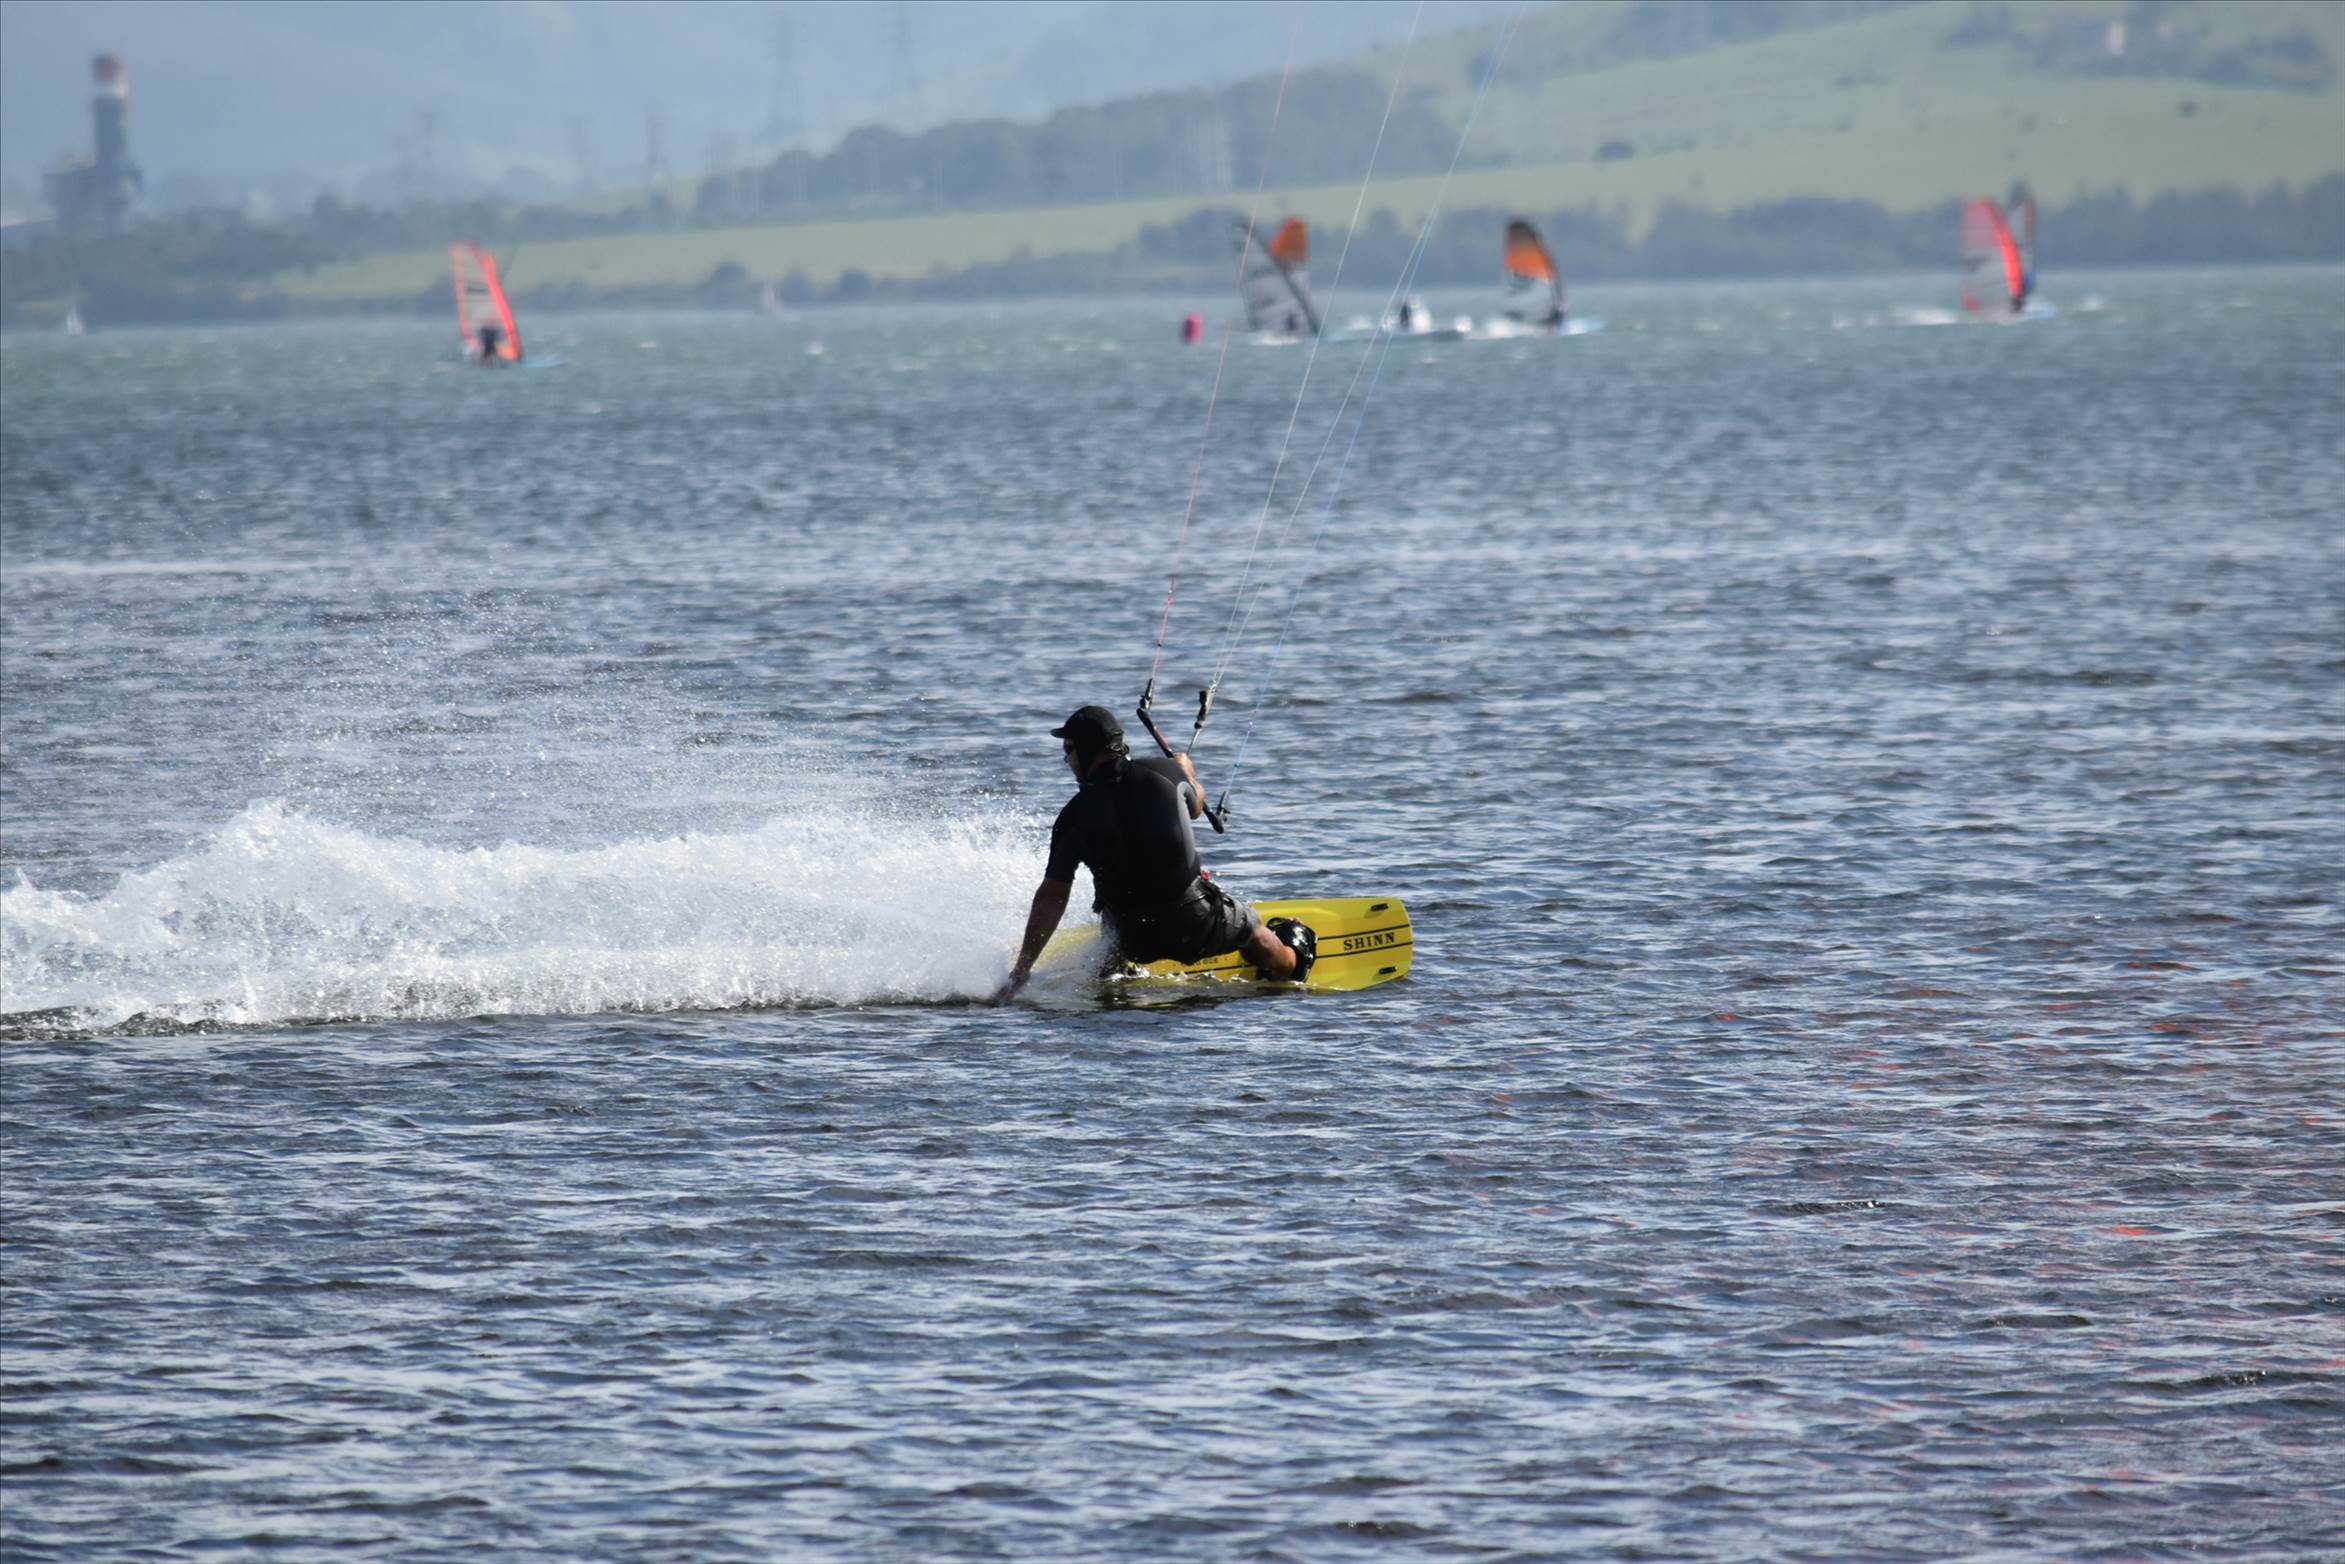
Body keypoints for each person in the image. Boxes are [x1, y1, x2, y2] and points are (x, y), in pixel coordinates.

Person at [994, 705, 1314, 1002]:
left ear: (1090, 749)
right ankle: (1290, 962)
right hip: (1196, 924)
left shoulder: (1072, 818)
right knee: (1251, 925)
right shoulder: (1164, 773)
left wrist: (1022, 969)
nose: (1066, 760)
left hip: (1134, 939)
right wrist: (1187, 772)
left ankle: (1113, 978)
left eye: (1069, 750)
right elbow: (1196, 806)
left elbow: (1051, 898)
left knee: (1112, 931)